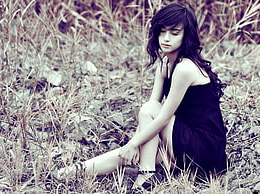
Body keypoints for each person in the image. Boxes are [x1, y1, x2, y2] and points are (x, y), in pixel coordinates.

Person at [55, 3, 227, 191]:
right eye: (162, 32)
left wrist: (134, 142)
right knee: (125, 153)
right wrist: (137, 144)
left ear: (187, 35)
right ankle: (67, 173)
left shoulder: (185, 68)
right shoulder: (164, 64)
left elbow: (161, 115)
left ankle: (145, 177)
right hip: (181, 139)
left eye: (174, 33)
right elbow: (152, 109)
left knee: (148, 112)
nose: (166, 38)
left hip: (204, 147)